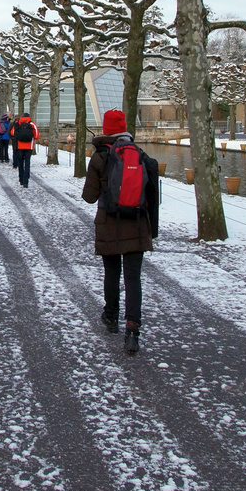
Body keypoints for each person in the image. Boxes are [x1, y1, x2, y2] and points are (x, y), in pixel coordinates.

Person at [82, 108, 158, 353]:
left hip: (109, 225)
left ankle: (111, 317)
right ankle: (133, 330)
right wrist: (152, 230)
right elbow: (151, 197)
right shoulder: (140, 155)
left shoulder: (99, 157)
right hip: (137, 225)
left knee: (112, 273)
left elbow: (89, 197)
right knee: (133, 278)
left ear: (105, 129)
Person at [10, 112, 39, 188]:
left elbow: (12, 132)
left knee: (20, 163)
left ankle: (21, 179)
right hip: (29, 146)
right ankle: (26, 181)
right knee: (27, 163)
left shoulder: (18, 123)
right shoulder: (32, 124)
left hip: (20, 146)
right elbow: (36, 135)